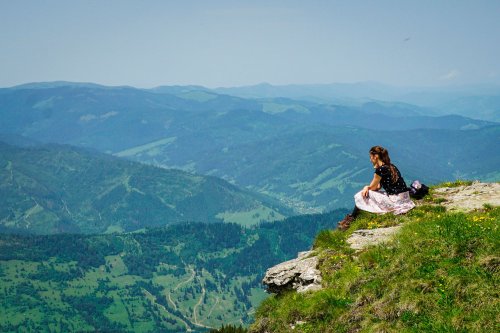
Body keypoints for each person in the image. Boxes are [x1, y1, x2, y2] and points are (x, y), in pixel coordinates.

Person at [338, 145, 415, 231]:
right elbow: (378, 187)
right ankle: (351, 218)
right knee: (368, 192)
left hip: (395, 201)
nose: (370, 160)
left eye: (371, 157)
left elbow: (372, 188)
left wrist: (366, 187)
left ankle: (350, 220)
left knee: (362, 195)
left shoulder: (380, 170)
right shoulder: (391, 166)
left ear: (376, 156)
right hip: (405, 198)